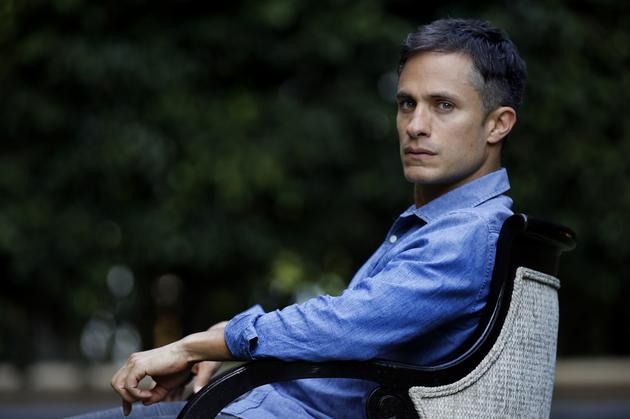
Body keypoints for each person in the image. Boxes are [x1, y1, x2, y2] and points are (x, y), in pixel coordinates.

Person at [69, 17, 527, 419]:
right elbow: (347, 321)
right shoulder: (442, 224)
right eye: (407, 103)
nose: (415, 125)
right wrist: (220, 338)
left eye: (443, 105)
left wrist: (194, 346)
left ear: (498, 123)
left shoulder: (467, 235)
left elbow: (342, 325)